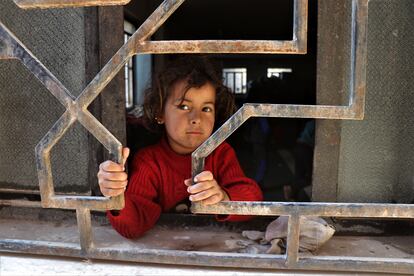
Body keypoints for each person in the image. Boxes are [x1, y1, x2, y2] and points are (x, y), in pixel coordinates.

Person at [97, 56, 263, 239]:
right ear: (160, 113)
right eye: (184, 106)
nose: (196, 118)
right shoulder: (149, 161)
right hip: (168, 249)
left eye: (206, 109)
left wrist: (223, 198)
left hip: (213, 247)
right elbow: (134, 223)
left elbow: (253, 199)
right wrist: (116, 195)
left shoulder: (221, 153)